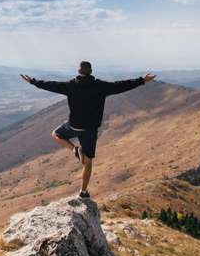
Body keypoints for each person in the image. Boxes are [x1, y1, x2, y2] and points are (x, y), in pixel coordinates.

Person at [20, 61, 156, 198]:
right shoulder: (101, 86)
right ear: (91, 71)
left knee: (56, 134)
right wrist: (142, 80)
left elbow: (51, 85)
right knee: (88, 162)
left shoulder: (70, 85)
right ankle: (83, 192)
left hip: (74, 125)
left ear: (79, 71)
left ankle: (74, 150)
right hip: (90, 129)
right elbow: (121, 85)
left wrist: (33, 82)